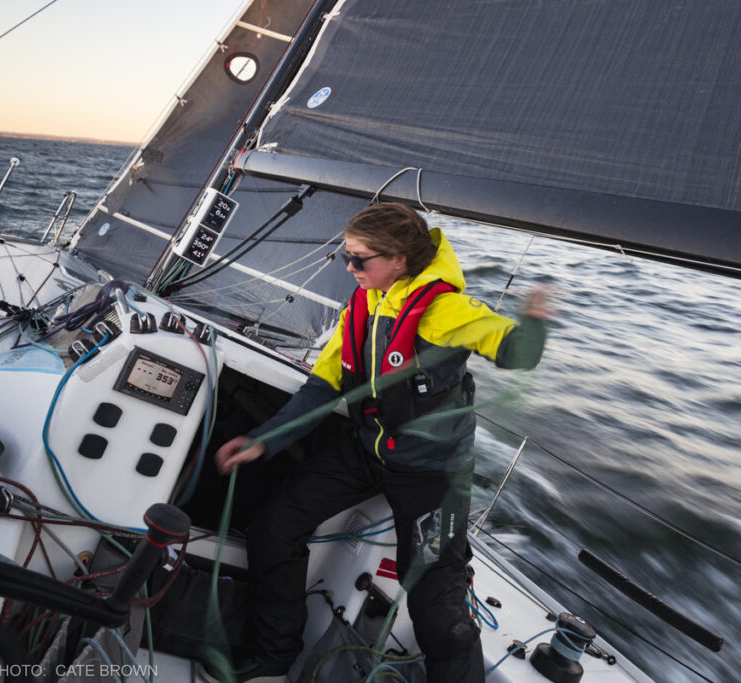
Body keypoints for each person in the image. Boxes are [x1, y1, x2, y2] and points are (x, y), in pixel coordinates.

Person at [214, 203, 549, 682]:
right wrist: (262, 441)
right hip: (366, 451)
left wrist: (534, 320)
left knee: (436, 600)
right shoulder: (363, 304)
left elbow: (516, 352)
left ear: (400, 261)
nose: (349, 270)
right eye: (345, 257)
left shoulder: (445, 310)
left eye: (360, 260)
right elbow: (324, 384)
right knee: (274, 527)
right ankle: (276, 653)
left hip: (432, 471)